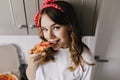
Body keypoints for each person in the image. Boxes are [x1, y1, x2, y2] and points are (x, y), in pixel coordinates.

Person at [26, 0, 96, 80]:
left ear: (70, 27)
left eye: (56, 27)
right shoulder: (42, 50)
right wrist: (32, 63)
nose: (49, 36)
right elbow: (31, 78)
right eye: (45, 29)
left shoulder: (86, 60)